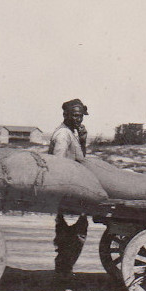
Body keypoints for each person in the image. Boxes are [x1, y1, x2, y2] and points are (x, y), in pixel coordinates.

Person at [49, 98, 89, 277]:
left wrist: (82, 140)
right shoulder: (63, 135)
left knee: (74, 234)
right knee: (73, 235)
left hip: (73, 191)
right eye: (75, 116)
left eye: (80, 116)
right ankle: (63, 272)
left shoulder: (71, 133)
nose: (78, 120)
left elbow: (81, 159)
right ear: (65, 115)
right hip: (68, 193)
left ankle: (64, 270)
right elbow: (58, 164)